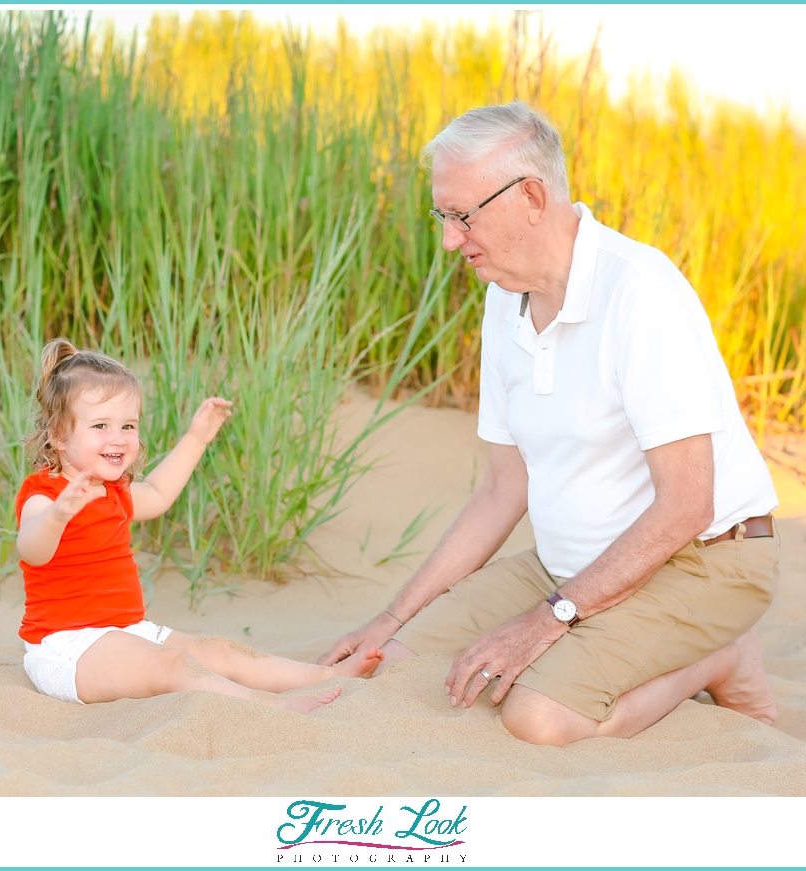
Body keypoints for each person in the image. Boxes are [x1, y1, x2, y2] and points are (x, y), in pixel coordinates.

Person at [320, 102, 781, 746]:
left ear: (531, 195)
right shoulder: (501, 299)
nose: (451, 238)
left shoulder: (638, 291)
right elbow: (501, 492)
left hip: (701, 563)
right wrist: (392, 617)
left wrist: (548, 621)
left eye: (462, 216)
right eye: (442, 216)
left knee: (538, 718)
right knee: (391, 664)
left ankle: (722, 656)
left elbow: (687, 505)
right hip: (564, 567)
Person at [16, 338, 381, 710]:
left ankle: (326, 676)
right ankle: (265, 707)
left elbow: (158, 492)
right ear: (59, 435)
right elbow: (32, 548)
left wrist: (197, 438)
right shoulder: (44, 495)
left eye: (128, 425)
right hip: (67, 648)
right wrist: (59, 514)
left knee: (219, 651)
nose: (118, 438)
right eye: (100, 425)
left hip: (128, 632)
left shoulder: (113, 492)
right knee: (173, 665)